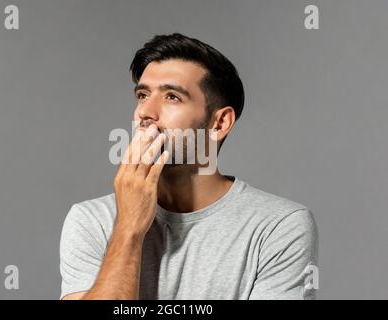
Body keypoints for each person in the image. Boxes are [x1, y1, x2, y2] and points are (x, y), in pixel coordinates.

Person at [59, 33, 318, 300]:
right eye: (143, 94)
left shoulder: (278, 226)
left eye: (172, 97)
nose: (145, 112)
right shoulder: (91, 220)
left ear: (219, 124)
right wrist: (128, 228)